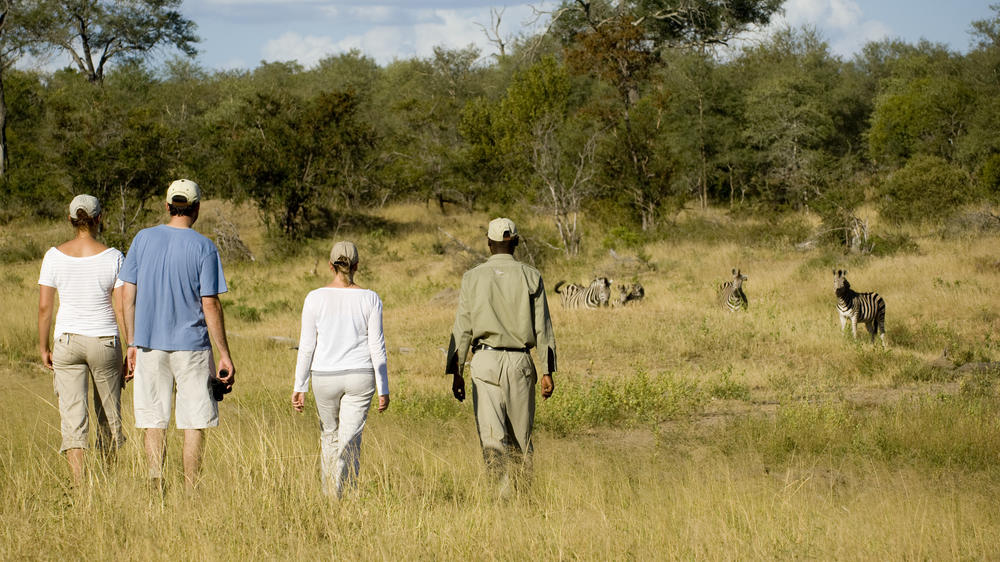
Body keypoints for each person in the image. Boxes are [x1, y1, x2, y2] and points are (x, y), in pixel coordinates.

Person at [119, 179, 235, 491]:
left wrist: (131, 342)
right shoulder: (203, 247)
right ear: (196, 208)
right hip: (192, 347)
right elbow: (209, 302)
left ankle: (156, 482)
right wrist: (224, 354)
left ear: (168, 205)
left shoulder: (143, 239)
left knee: (154, 420)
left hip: (148, 345)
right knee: (194, 421)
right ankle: (190, 489)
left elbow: (126, 296)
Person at [446, 217, 556, 493]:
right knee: (521, 438)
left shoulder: (472, 277)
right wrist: (547, 371)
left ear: (489, 243)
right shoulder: (531, 276)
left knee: (492, 438)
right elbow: (543, 327)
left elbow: (462, 327)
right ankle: (521, 498)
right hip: (520, 360)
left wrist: (456, 372)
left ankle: (500, 499)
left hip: (484, 360)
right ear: (516, 242)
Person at [37, 194, 126, 485]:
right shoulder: (113, 256)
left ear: (71, 220)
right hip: (103, 339)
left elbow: (44, 308)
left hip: (67, 340)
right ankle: (108, 481)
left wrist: (43, 347)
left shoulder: (53, 256)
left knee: (73, 417)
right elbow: (122, 306)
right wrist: (132, 345)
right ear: (100, 218)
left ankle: (78, 487)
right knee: (109, 416)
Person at [292, 241, 390, 498]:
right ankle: (346, 492)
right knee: (351, 441)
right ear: (356, 265)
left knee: (329, 436)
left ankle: (330, 495)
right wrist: (384, 387)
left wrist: (299, 386)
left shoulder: (314, 297)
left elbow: (306, 346)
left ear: (330, 266)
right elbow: (377, 346)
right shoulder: (370, 298)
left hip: (324, 377)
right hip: (361, 375)